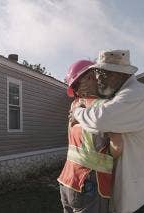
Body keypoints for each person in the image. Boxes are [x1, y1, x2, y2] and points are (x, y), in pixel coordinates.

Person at [71, 50, 144, 213]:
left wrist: (77, 112)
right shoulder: (120, 96)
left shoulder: (135, 94)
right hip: (138, 193)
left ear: (115, 74)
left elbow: (101, 120)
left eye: (100, 73)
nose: (98, 79)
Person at [57, 60, 123, 213]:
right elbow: (118, 146)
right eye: (97, 74)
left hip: (67, 180)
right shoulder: (103, 108)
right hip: (89, 183)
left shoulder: (75, 106)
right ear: (89, 78)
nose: (100, 78)